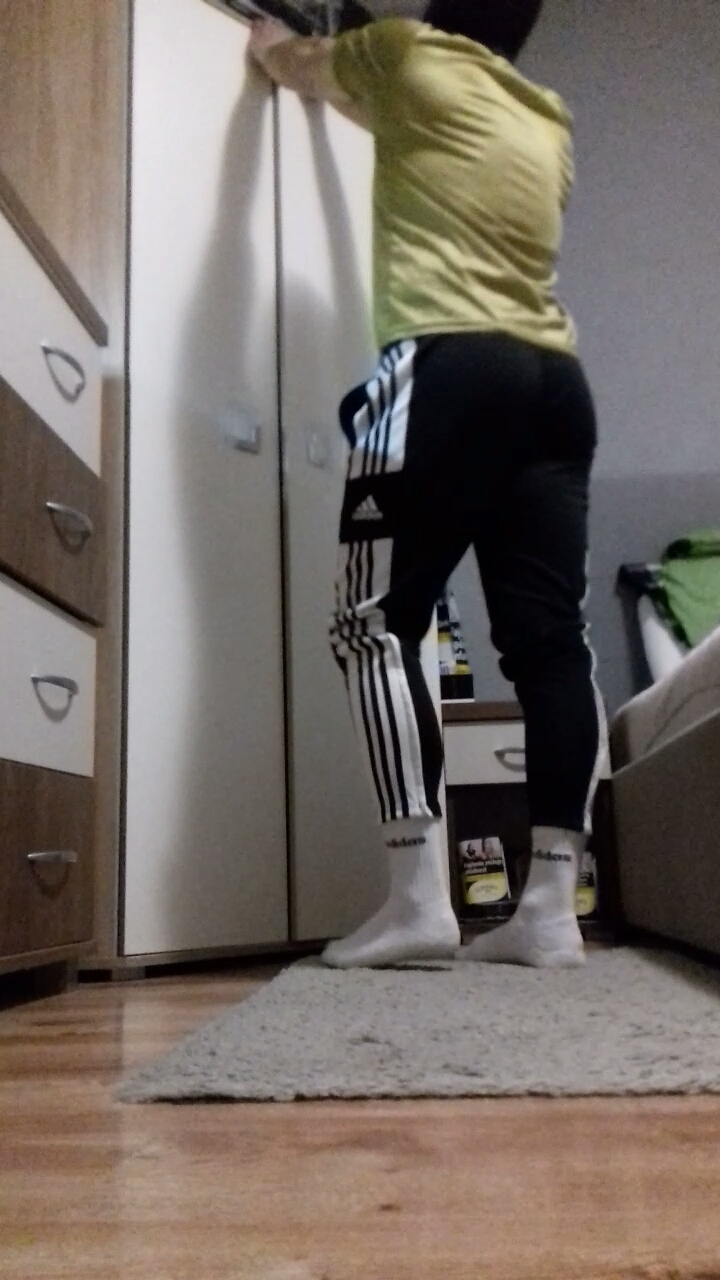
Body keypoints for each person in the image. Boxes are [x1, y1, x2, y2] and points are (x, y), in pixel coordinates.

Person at [249, 0, 607, 970]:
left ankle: (416, 900)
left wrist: (280, 41)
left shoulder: (401, 52)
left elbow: (294, 66)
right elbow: (410, 132)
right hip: (556, 384)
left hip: (443, 367)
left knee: (371, 623)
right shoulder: (547, 119)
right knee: (551, 641)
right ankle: (550, 911)